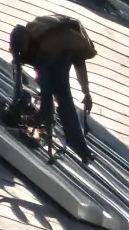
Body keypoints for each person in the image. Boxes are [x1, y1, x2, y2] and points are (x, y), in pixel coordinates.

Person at [6, 15, 97, 165]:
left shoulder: (63, 45)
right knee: (58, 95)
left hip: (51, 57)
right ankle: (79, 146)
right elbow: (78, 67)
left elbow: (76, 68)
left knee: (60, 96)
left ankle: (42, 118)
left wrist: (86, 93)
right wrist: (86, 93)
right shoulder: (61, 41)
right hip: (48, 54)